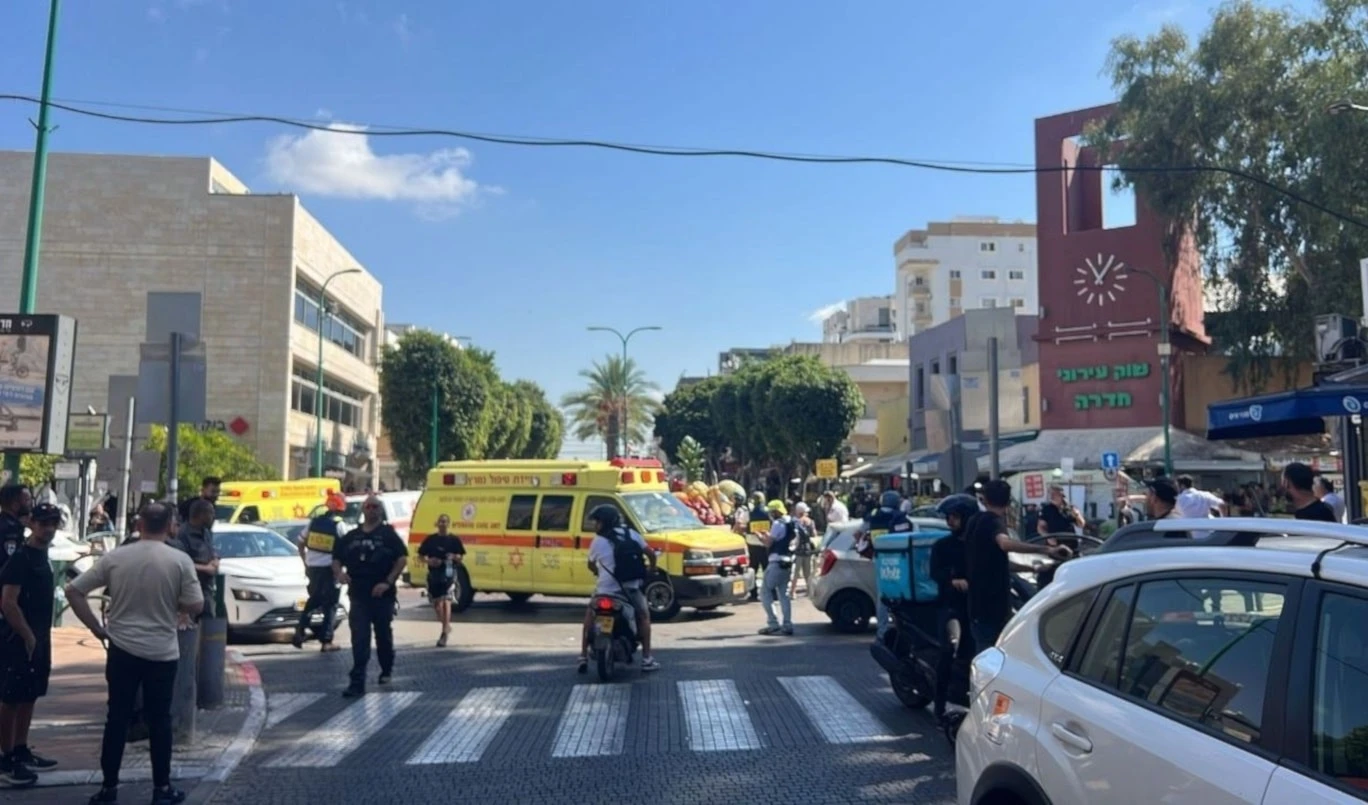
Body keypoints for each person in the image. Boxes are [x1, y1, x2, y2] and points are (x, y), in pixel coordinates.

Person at [66, 502, 203, 805]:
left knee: (117, 717)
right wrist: (177, 610)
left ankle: (109, 787)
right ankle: (161, 788)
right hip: (162, 651)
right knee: (160, 720)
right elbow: (196, 605)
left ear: (139, 525)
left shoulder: (115, 558)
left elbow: (74, 591)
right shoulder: (179, 561)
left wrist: (96, 629)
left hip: (122, 648)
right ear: (170, 525)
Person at [0, 503, 64, 787]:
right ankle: (7, 757)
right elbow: (8, 602)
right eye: (43, 523)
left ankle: (22, 747)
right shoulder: (21, 558)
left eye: (52, 523)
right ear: (31, 524)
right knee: (11, 698)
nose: (48, 528)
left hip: (40, 637)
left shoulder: (43, 556)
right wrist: (26, 635)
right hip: (18, 639)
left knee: (31, 694)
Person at [964, 481, 1069, 649]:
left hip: (976, 606)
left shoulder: (973, 522)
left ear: (985, 500)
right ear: (1007, 503)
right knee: (995, 656)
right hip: (993, 608)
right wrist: (1047, 549)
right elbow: (1005, 544)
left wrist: (1032, 568)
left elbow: (998, 563)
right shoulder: (994, 522)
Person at [332, 495, 408, 697]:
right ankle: (357, 682)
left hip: (382, 595)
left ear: (380, 511)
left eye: (375, 506)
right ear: (363, 510)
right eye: (368, 506)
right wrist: (340, 573)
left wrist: (388, 582)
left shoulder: (388, 534)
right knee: (360, 639)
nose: (372, 509)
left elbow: (402, 558)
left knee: (383, 634)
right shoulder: (352, 536)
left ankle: (386, 669)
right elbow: (336, 558)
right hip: (359, 595)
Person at [578, 503, 658, 673]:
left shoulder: (597, 541)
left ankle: (583, 656)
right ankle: (647, 658)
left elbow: (591, 565)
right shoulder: (632, 534)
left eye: (597, 522)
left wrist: (598, 573)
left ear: (605, 522)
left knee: (589, 616)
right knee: (643, 616)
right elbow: (650, 554)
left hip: (604, 591)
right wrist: (652, 569)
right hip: (630, 590)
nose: (595, 526)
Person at [930, 494, 979, 721]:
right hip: (950, 607)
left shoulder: (978, 546)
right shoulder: (942, 546)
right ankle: (939, 705)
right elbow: (935, 573)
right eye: (949, 517)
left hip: (976, 608)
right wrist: (952, 581)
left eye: (955, 517)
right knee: (949, 649)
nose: (951, 521)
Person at [293, 492, 350, 652]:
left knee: (315, 600)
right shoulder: (339, 525)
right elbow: (346, 547)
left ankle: (300, 629)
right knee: (331, 604)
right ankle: (326, 641)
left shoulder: (314, 522)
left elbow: (300, 541)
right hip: (329, 570)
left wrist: (305, 560)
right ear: (340, 509)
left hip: (312, 568)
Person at [856, 490, 914, 638]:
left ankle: (882, 631)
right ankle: (902, 629)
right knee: (901, 595)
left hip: (880, 560)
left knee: (882, 596)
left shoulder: (872, 517)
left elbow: (857, 534)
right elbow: (910, 538)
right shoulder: (901, 518)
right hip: (900, 561)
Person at [417, 514, 466, 648]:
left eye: (445, 522)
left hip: (449, 573)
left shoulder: (454, 540)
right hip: (434, 574)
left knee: (446, 600)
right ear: (437, 524)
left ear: (448, 524)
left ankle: (444, 633)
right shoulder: (431, 539)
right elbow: (420, 556)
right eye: (440, 522)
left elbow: (461, 557)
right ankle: (446, 625)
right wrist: (430, 561)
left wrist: (454, 557)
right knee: (437, 604)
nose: (442, 524)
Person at [173, 500, 219, 619]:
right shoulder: (183, 534)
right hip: (191, 593)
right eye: (211, 513)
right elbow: (178, 562)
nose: (213, 517)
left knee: (209, 632)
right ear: (201, 515)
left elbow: (210, 551)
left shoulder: (206, 532)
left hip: (207, 591)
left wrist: (215, 559)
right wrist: (205, 568)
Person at [758, 500, 796, 636]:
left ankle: (773, 624)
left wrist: (760, 536)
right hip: (788, 562)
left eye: (771, 511)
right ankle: (787, 624)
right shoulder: (791, 522)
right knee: (784, 595)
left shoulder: (777, 523)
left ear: (775, 511)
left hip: (776, 562)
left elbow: (769, 543)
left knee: (765, 592)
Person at [0, 484, 32, 573]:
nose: (31, 504)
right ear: (15, 505)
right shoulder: (10, 530)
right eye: (27, 500)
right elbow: (11, 563)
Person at [788, 502, 817, 597]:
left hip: (797, 550)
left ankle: (792, 592)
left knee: (795, 573)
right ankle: (809, 591)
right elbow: (814, 534)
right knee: (807, 573)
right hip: (807, 549)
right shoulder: (810, 521)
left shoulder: (794, 522)